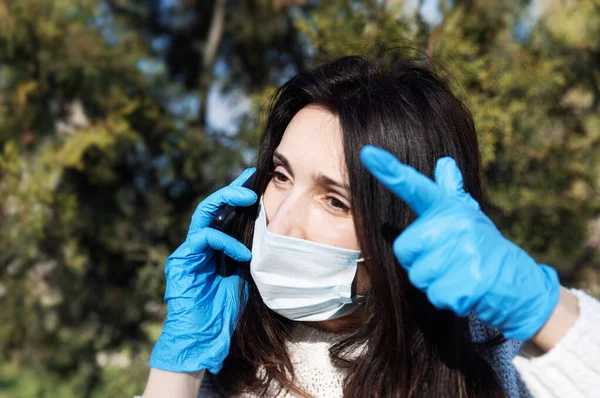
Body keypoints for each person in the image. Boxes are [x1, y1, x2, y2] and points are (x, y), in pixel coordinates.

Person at [140, 54, 600, 398]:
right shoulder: (237, 362)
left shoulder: (499, 354)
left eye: (335, 200)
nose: (279, 222)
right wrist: (178, 370)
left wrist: (544, 310)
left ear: (407, 224)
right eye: (281, 176)